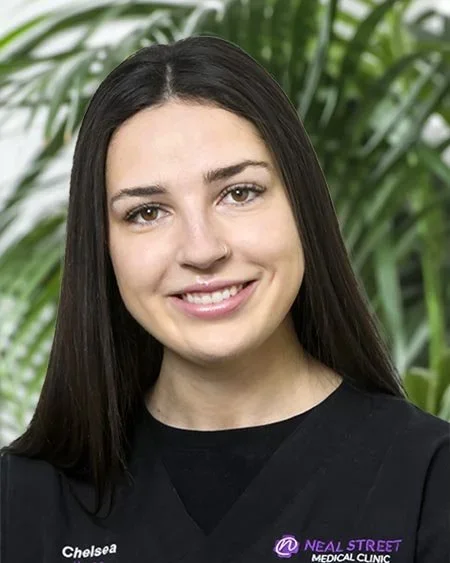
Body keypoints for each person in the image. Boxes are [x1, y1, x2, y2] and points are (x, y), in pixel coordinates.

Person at [0, 35, 448, 563]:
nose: (202, 249)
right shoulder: (20, 499)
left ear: (302, 206)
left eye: (239, 193)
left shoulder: (429, 478)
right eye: (147, 212)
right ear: (103, 248)